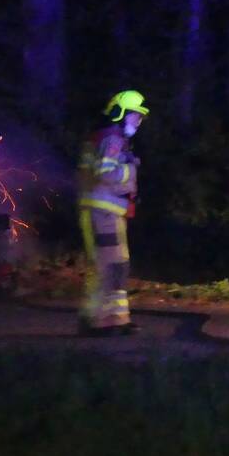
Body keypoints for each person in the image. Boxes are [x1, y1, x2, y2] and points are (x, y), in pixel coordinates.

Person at [77, 90, 148, 336]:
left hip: (106, 213)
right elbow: (106, 174)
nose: (138, 121)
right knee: (110, 267)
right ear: (120, 113)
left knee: (113, 266)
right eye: (135, 116)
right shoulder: (113, 140)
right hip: (103, 213)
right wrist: (130, 174)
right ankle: (102, 322)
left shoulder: (105, 138)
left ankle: (112, 319)